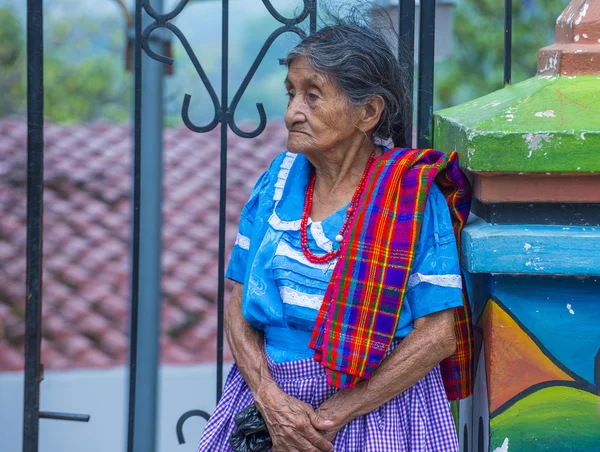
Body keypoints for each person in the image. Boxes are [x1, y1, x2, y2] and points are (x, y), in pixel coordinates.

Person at [198, 19, 472, 452]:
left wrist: (336, 413)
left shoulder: (410, 197)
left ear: (368, 112)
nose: (292, 113)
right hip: (272, 411)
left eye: (312, 95)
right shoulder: (277, 181)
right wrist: (270, 399)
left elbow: (438, 335)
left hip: (377, 416)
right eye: (290, 93)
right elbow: (237, 300)